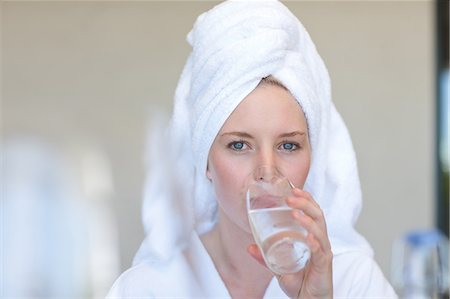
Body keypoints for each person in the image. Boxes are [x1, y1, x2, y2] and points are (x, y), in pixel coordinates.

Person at [107, 1, 397, 298]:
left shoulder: (355, 282)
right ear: (205, 159)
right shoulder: (147, 289)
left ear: (314, 154)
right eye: (239, 145)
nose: (267, 172)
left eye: (288, 145)